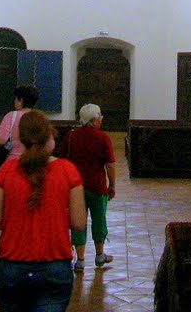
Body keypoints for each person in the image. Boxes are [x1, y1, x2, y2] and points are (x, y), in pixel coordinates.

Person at [0, 109, 86, 312]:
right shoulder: (68, 171)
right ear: (49, 136)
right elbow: (79, 223)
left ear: (20, 139)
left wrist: (17, 220)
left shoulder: (6, 171)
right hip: (54, 264)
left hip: (12, 263)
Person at [61, 103, 116, 272]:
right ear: (95, 120)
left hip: (75, 187)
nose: (101, 120)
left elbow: (63, 162)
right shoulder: (103, 137)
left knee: (78, 222)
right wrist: (112, 185)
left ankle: (80, 260)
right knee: (99, 220)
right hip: (97, 186)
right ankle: (100, 255)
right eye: (100, 117)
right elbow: (110, 165)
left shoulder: (71, 137)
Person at [0, 84, 40, 162]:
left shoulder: (12, 116)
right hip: (34, 162)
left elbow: (0, 140)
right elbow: (50, 144)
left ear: (21, 100)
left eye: (16, 98)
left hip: (14, 161)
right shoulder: (39, 118)